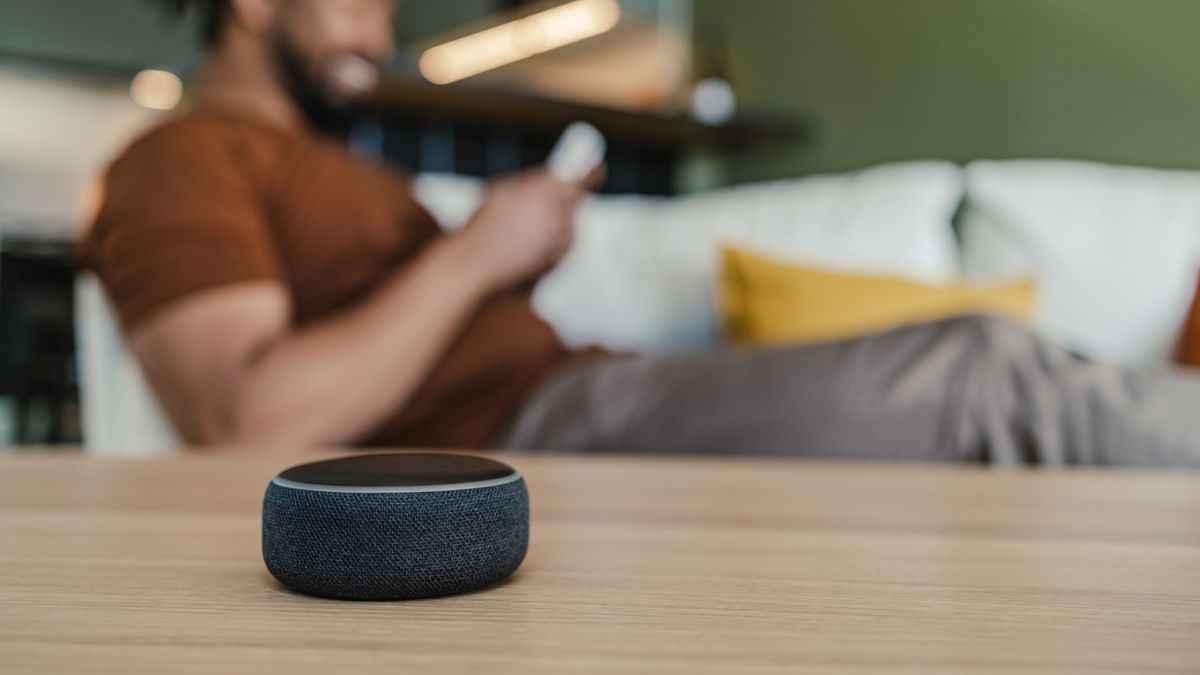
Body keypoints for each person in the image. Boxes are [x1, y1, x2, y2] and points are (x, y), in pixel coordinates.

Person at [84, 0, 1200, 467]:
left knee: (971, 380)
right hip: (530, 434)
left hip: (584, 398)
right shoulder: (177, 162)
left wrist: (505, 255)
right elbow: (246, 420)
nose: (380, 23)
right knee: (976, 372)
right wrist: (474, 252)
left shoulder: (330, 168)